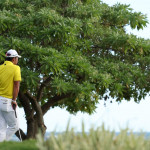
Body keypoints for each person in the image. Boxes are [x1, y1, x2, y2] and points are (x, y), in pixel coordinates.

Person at [0, 49, 21, 142]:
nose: (17, 60)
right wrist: (14, 100)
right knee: (14, 126)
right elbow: (16, 85)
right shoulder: (16, 68)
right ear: (13, 59)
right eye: (17, 58)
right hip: (7, 101)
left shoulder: (0, 67)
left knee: (2, 128)